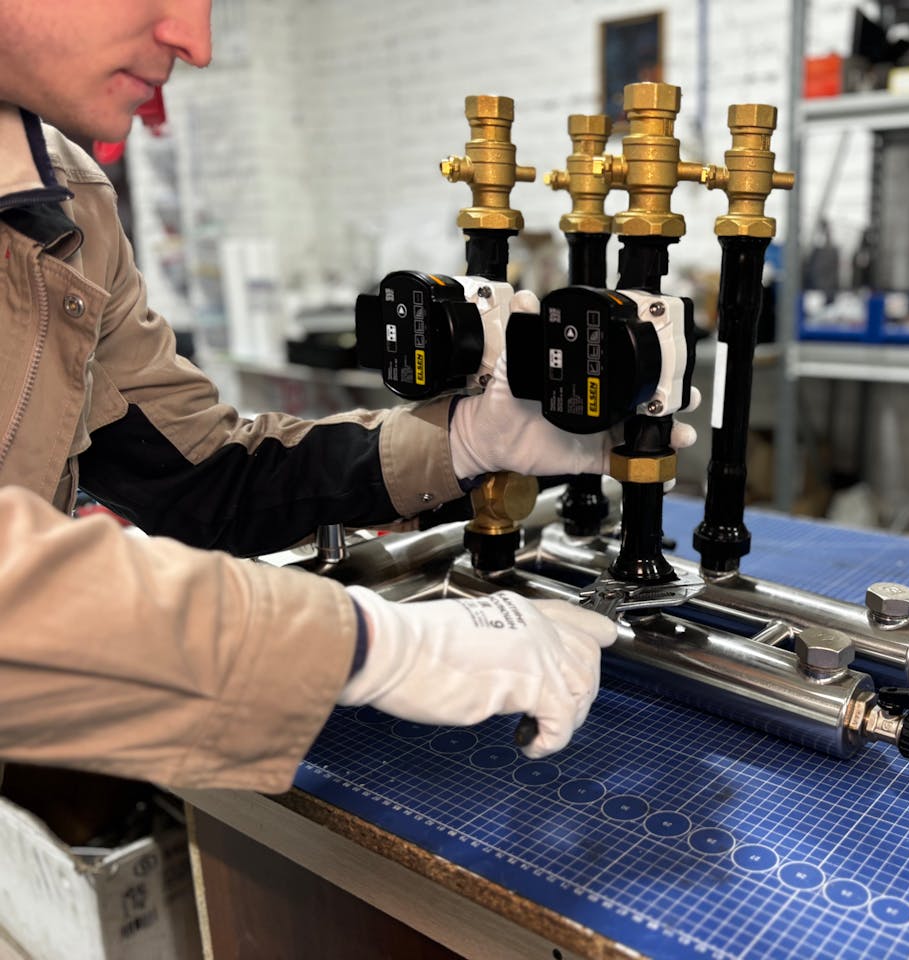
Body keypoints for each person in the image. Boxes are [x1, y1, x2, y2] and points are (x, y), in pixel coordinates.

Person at [0, 0, 693, 791]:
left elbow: (203, 478)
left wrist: (461, 440)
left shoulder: (66, 203)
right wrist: (375, 647)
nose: (194, 40)